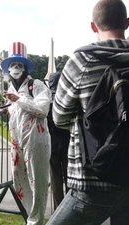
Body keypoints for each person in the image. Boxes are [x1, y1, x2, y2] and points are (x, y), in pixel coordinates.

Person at [47, 0, 129, 224]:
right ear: (127, 23)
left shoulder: (83, 60)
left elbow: (59, 117)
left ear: (93, 26)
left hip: (92, 180)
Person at [1, 42, 52, 225]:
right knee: (19, 178)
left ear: (25, 68)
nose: (15, 68)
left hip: (36, 141)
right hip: (17, 141)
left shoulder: (35, 85)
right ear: (7, 69)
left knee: (37, 180)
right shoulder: (11, 90)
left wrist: (19, 100)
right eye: (12, 65)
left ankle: (36, 220)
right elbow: (19, 111)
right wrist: (11, 108)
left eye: (19, 65)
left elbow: (42, 109)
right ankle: (32, 218)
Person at [47, 72, 69, 211]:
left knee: (55, 179)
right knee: (70, 178)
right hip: (67, 141)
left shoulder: (46, 98)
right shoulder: (66, 97)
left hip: (51, 142)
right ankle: (70, 210)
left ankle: (58, 210)